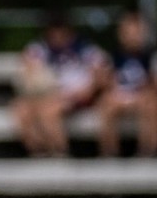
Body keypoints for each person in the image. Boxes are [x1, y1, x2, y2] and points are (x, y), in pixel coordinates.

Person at [12, 12, 108, 159]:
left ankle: (61, 153)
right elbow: (27, 70)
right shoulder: (40, 48)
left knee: (49, 110)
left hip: (77, 95)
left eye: (60, 30)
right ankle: (39, 153)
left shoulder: (85, 48)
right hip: (48, 95)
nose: (56, 35)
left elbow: (101, 75)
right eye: (53, 30)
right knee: (21, 109)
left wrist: (87, 89)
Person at [100, 10, 157, 158]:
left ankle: (149, 151)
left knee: (152, 103)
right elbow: (106, 81)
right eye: (129, 32)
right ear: (121, 34)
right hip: (119, 95)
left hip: (143, 96)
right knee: (106, 103)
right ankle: (110, 152)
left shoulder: (151, 56)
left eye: (137, 32)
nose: (133, 36)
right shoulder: (113, 55)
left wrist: (147, 88)